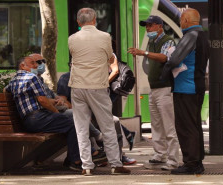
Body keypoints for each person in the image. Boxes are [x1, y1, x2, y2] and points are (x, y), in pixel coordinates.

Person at [68, 7, 130, 176]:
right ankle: (116, 165)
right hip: (97, 86)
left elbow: (76, 56)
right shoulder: (105, 37)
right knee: (107, 126)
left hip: (78, 87)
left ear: (78, 22)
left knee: (81, 128)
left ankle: (86, 166)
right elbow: (110, 58)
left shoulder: (72, 38)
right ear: (94, 20)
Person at [4, 56, 82, 171]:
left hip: (28, 121)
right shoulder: (32, 77)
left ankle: (73, 159)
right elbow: (42, 100)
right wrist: (56, 113)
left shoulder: (13, 80)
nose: (36, 66)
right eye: (32, 63)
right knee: (74, 123)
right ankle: (75, 161)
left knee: (69, 123)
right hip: (38, 118)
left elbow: (5, 91)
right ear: (22, 66)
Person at [29, 53, 107, 166]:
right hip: (47, 114)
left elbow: (52, 96)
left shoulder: (40, 80)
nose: (41, 65)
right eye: (38, 62)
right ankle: (93, 147)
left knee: (108, 120)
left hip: (54, 110)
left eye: (43, 62)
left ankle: (101, 152)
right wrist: (56, 106)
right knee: (76, 119)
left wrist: (58, 100)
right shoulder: (33, 80)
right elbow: (42, 100)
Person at [57, 59, 136, 165]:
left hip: (94, 112)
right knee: (85, 124)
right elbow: (63, 100)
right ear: (72, 65)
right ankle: (94, 155)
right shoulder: (65, 78)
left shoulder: (90, 78)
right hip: (80, 113)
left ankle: (119, 156)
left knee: (115, 121)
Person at [160, 8, 209, 174]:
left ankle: (191, 163)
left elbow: (174, 59)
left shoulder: (190, 36)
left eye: (181, 20)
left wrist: (165, 71)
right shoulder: (202, 35)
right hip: (195, 86)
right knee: (194, 125)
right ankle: (197, 161)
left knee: (185, 127)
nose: (180, 23)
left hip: (186, 88)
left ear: (186, 21)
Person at [127, 15, 179, 170]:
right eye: (146, 26)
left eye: (150, 26)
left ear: (159, 26)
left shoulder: (168, 40)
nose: (147, 29)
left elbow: (164, 57)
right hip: (154, 89)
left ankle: (173, 159)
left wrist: (144, 53)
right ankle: (159, 154)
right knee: (156, 125)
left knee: (168, 125)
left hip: (165, 88)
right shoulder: (152, 41)